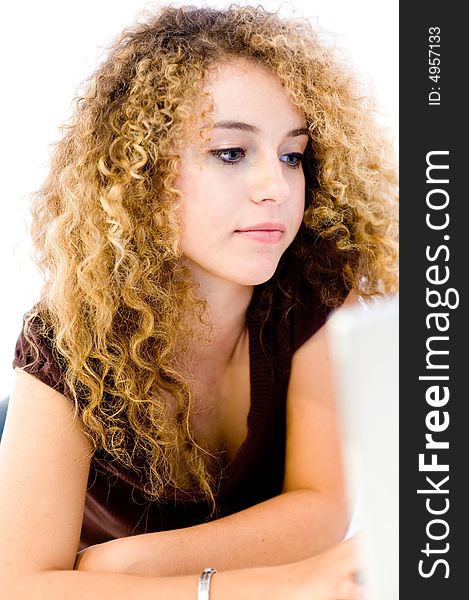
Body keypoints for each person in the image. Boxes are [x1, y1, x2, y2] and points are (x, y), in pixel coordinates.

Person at [0, 4, 397, 598]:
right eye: (231, 153)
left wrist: (120, 569)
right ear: (142, 175)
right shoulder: (67, 339)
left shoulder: (311, 291)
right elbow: (19, 583)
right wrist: (254, 585)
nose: (276, 188)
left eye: (292, 156)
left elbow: (319, 512)